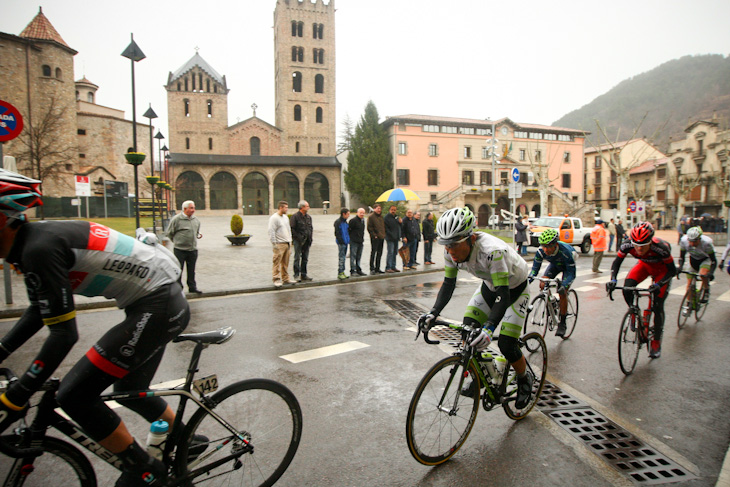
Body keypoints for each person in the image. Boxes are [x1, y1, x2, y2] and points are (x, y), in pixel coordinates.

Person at [0, 169, 201, 487]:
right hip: (155, 300)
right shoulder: (31, 245)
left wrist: (17, 396)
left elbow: (64, 334)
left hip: (159, 303)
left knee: (74, 395)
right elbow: (41, 311)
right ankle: (188, 439)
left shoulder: (38, 248)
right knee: (126, 392)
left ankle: (143, 468)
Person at [418, 207, 534, 408]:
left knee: (507, 344)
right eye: (446, 245)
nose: (450, 250)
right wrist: (433, 313)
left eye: (454, 244)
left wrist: (489, 328)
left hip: (514, 289)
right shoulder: (451, 253)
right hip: (490, 286)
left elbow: (503, 294)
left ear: (470, 238)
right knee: (468, 331)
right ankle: (482, 376)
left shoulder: (492, 252)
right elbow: (448, 284)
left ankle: (524, 378)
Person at [607, 222, 676, 359]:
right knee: (627, 288)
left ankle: (656, 341)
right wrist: (613, 280)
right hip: (644, 266)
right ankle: (633, 312)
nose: (638, 248)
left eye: (643, 245)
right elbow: (616, 263)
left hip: (662, 271)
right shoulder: (627, 244)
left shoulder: (661, 248)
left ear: (650, 241)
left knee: (657, 306)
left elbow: (672, 271)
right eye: (636, 245)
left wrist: (659, 284)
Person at [528, 228, 577, 337]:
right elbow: (534, 271)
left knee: (562, 292)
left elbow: (571, 273)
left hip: (567, 268)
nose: (545, 249)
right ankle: (551, 302)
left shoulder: (566, 252)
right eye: (543, 246)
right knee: (542, 282)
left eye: (548, 246)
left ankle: (562, 323)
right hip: (554, 265)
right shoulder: (540, 252)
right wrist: (527, 282)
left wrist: (565, 286)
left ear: (555, 245)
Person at [167, 200, 202, 293]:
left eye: (194, 208)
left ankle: (192, 287)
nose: (193, 210)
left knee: (191, 270)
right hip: (180, 250)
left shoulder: (196, 220)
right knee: (179, 270)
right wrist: (177, 242)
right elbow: (169, 233)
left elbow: (196, 231)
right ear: (185, 209)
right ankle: (178, 288)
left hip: (192, 250)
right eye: (191, 208)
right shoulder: (176, 219)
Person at [677, 226, 717, 304]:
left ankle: (706, 289)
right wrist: (680, 267)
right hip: (693, 259)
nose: (692, 244)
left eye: (695, 241)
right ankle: (689, 303)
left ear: (700, 239)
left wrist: (711, 273)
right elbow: (682, 257)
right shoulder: (684, 241)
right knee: (689, 284)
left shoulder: (707, 243)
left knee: (703, 274)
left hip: (705, 259)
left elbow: (713, 261)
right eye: (690, 241)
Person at [268, 200, 295, 288]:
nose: (287, 209)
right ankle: (276, 279)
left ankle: (286, 278)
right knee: (277, 262)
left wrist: (290, 241)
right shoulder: (274, 218)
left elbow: (288, 229)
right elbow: (271, 231)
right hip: (279, 244)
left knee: (285, 263)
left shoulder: (285, 217)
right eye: (286, 207)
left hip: (287, 243)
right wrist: (274, 243)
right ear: (281, 207)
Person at [290, 200, 314, 281]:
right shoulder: (295, 217)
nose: (308, 208)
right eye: (307, 206)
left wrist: (310, 238)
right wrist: (298, 238)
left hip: (307, 241)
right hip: (298, 240)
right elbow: (292, 229)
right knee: (297, 257)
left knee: (305, 258)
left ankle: (304, 274)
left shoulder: (308, 217)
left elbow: (310, 228)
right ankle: (296, 274)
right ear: (302, 207)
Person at [367, 204, 385, 274]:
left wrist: (384, 234)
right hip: (375, 238)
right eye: (378, 208)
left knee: (379, 253)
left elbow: (383, 226)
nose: (379, 210)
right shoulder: (371, 217)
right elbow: (369, 228)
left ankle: (378, 268)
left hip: (381, 237)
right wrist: (374, 235)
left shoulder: (381, 217)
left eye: (380, 208)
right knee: (373, 252)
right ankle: (372, 268)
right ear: (374, 209)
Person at [348, 208, 367, 276]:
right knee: (353, 256)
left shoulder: (363, 220)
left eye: (363, 213)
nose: (362, 214)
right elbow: (349, 230)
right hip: (354, 241)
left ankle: (358, 269)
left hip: (360, 241)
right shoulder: (353, 221)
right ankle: (353, 270)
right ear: (357, 213)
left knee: (358, 256)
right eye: (360, 213)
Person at [334, 207, 351, 280]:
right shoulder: (338, 222)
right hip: (341, 243)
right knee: (341, 257)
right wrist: (341, 241)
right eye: (347, 214)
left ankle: (343, 271)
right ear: (343, 214)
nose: (348, 216)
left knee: (343, 257)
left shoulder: (345, 222)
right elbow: (337, 233)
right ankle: (340, 272)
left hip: (345, 242)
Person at [384, 205, 402, 273]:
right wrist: (391, 235)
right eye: (392, 210)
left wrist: (400, 223)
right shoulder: (386, 217)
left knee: (395, 253)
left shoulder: (396, 217)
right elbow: (386, 228)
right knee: (390, 252)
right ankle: (388, 267)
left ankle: (393, 266)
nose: (393, 211)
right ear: (389, 210)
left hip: (396, 238)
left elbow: (399, 227)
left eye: (394, 210)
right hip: (390, 238)